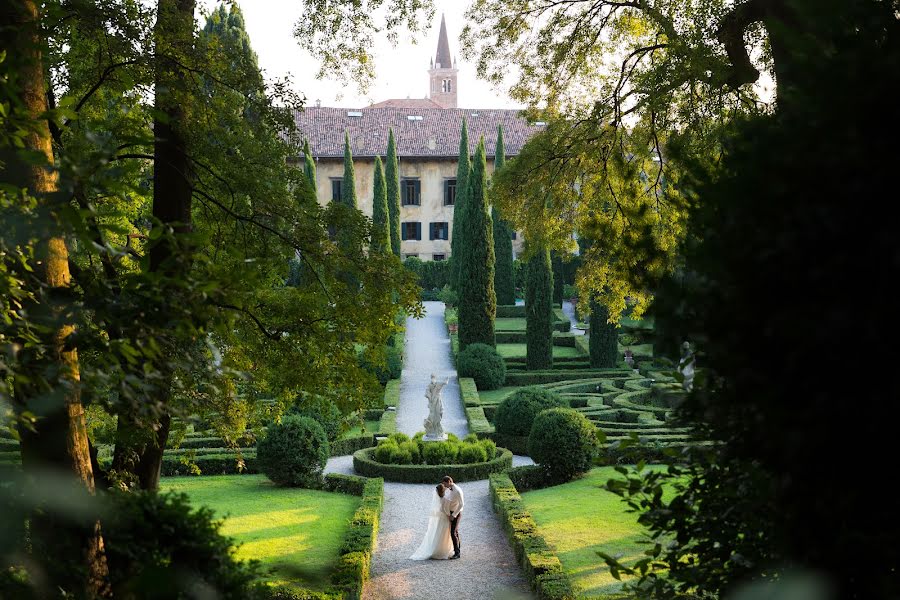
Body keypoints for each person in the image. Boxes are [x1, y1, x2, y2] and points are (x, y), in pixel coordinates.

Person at [409, 483, 455, 560]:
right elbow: (445, 510)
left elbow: (438, 510)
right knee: (445, 534)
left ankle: (438, 549)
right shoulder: (446, 499)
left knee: (439, 533)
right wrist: (449, 516)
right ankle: (445, 550)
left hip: (440, 519)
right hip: (445, 518)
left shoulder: (439, 499)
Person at [442, 475, 464, 559]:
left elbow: (462, 504)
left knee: (453, 533)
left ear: (449, 482)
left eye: (445, 484)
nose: (445, 486)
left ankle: (457, 553)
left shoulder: (457, 491)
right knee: (455, 532)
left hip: (456, 513)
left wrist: (453, 515)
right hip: (451, 513)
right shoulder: (450, 489)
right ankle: (458, 549)